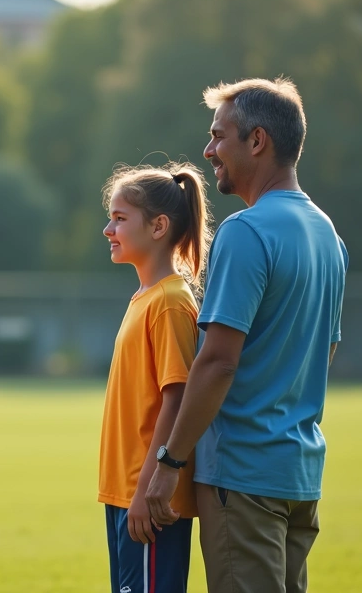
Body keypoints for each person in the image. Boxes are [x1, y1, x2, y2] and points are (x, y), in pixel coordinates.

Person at [145, 78, 348, 593]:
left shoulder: (245, 231)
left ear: (257, 141)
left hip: (243, 476)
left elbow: (217, 362)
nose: (209, 150)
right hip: (299, 475)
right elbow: (324, 351)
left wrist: (170, 461)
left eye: (219, 136)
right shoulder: (329, 236)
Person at [99, 162, 213, 593]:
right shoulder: (146, 298)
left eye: (120, 218)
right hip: (125, 494)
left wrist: (149, 486)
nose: (109, 229)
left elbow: (177, 398)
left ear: (159, 226)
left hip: (148, 498)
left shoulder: (169, 302)